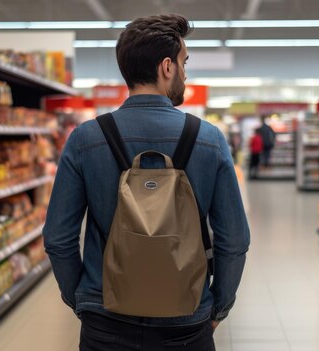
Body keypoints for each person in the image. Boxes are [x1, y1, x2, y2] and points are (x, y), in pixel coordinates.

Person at [43, 14, 250, 351]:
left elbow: (58, 238)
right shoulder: (209, 140)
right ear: (166, 67)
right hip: (186, 318)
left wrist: (82, 298)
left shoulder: (85, 139)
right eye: (184, 63)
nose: (185, 73)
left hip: (105, 315)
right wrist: (218, 307)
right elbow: (234, 239)